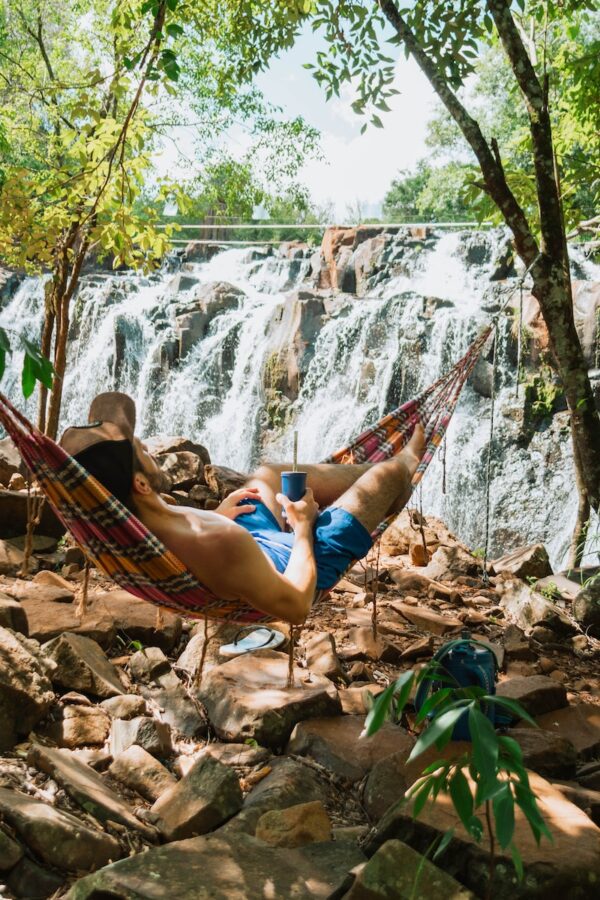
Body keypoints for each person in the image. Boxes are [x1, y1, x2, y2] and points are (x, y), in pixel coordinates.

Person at [60, 392, 425, 625]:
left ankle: (375, 474)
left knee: (268, 474)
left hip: (248, 543)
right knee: (388, 476)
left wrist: (216, 514)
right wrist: (302, 528)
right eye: (142, 451)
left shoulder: (128, 518)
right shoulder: (220, 542)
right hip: (300, 564)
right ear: (140, 484)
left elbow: (113, 402)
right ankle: (401, 467)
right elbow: (297, 606)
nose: (151, 451)